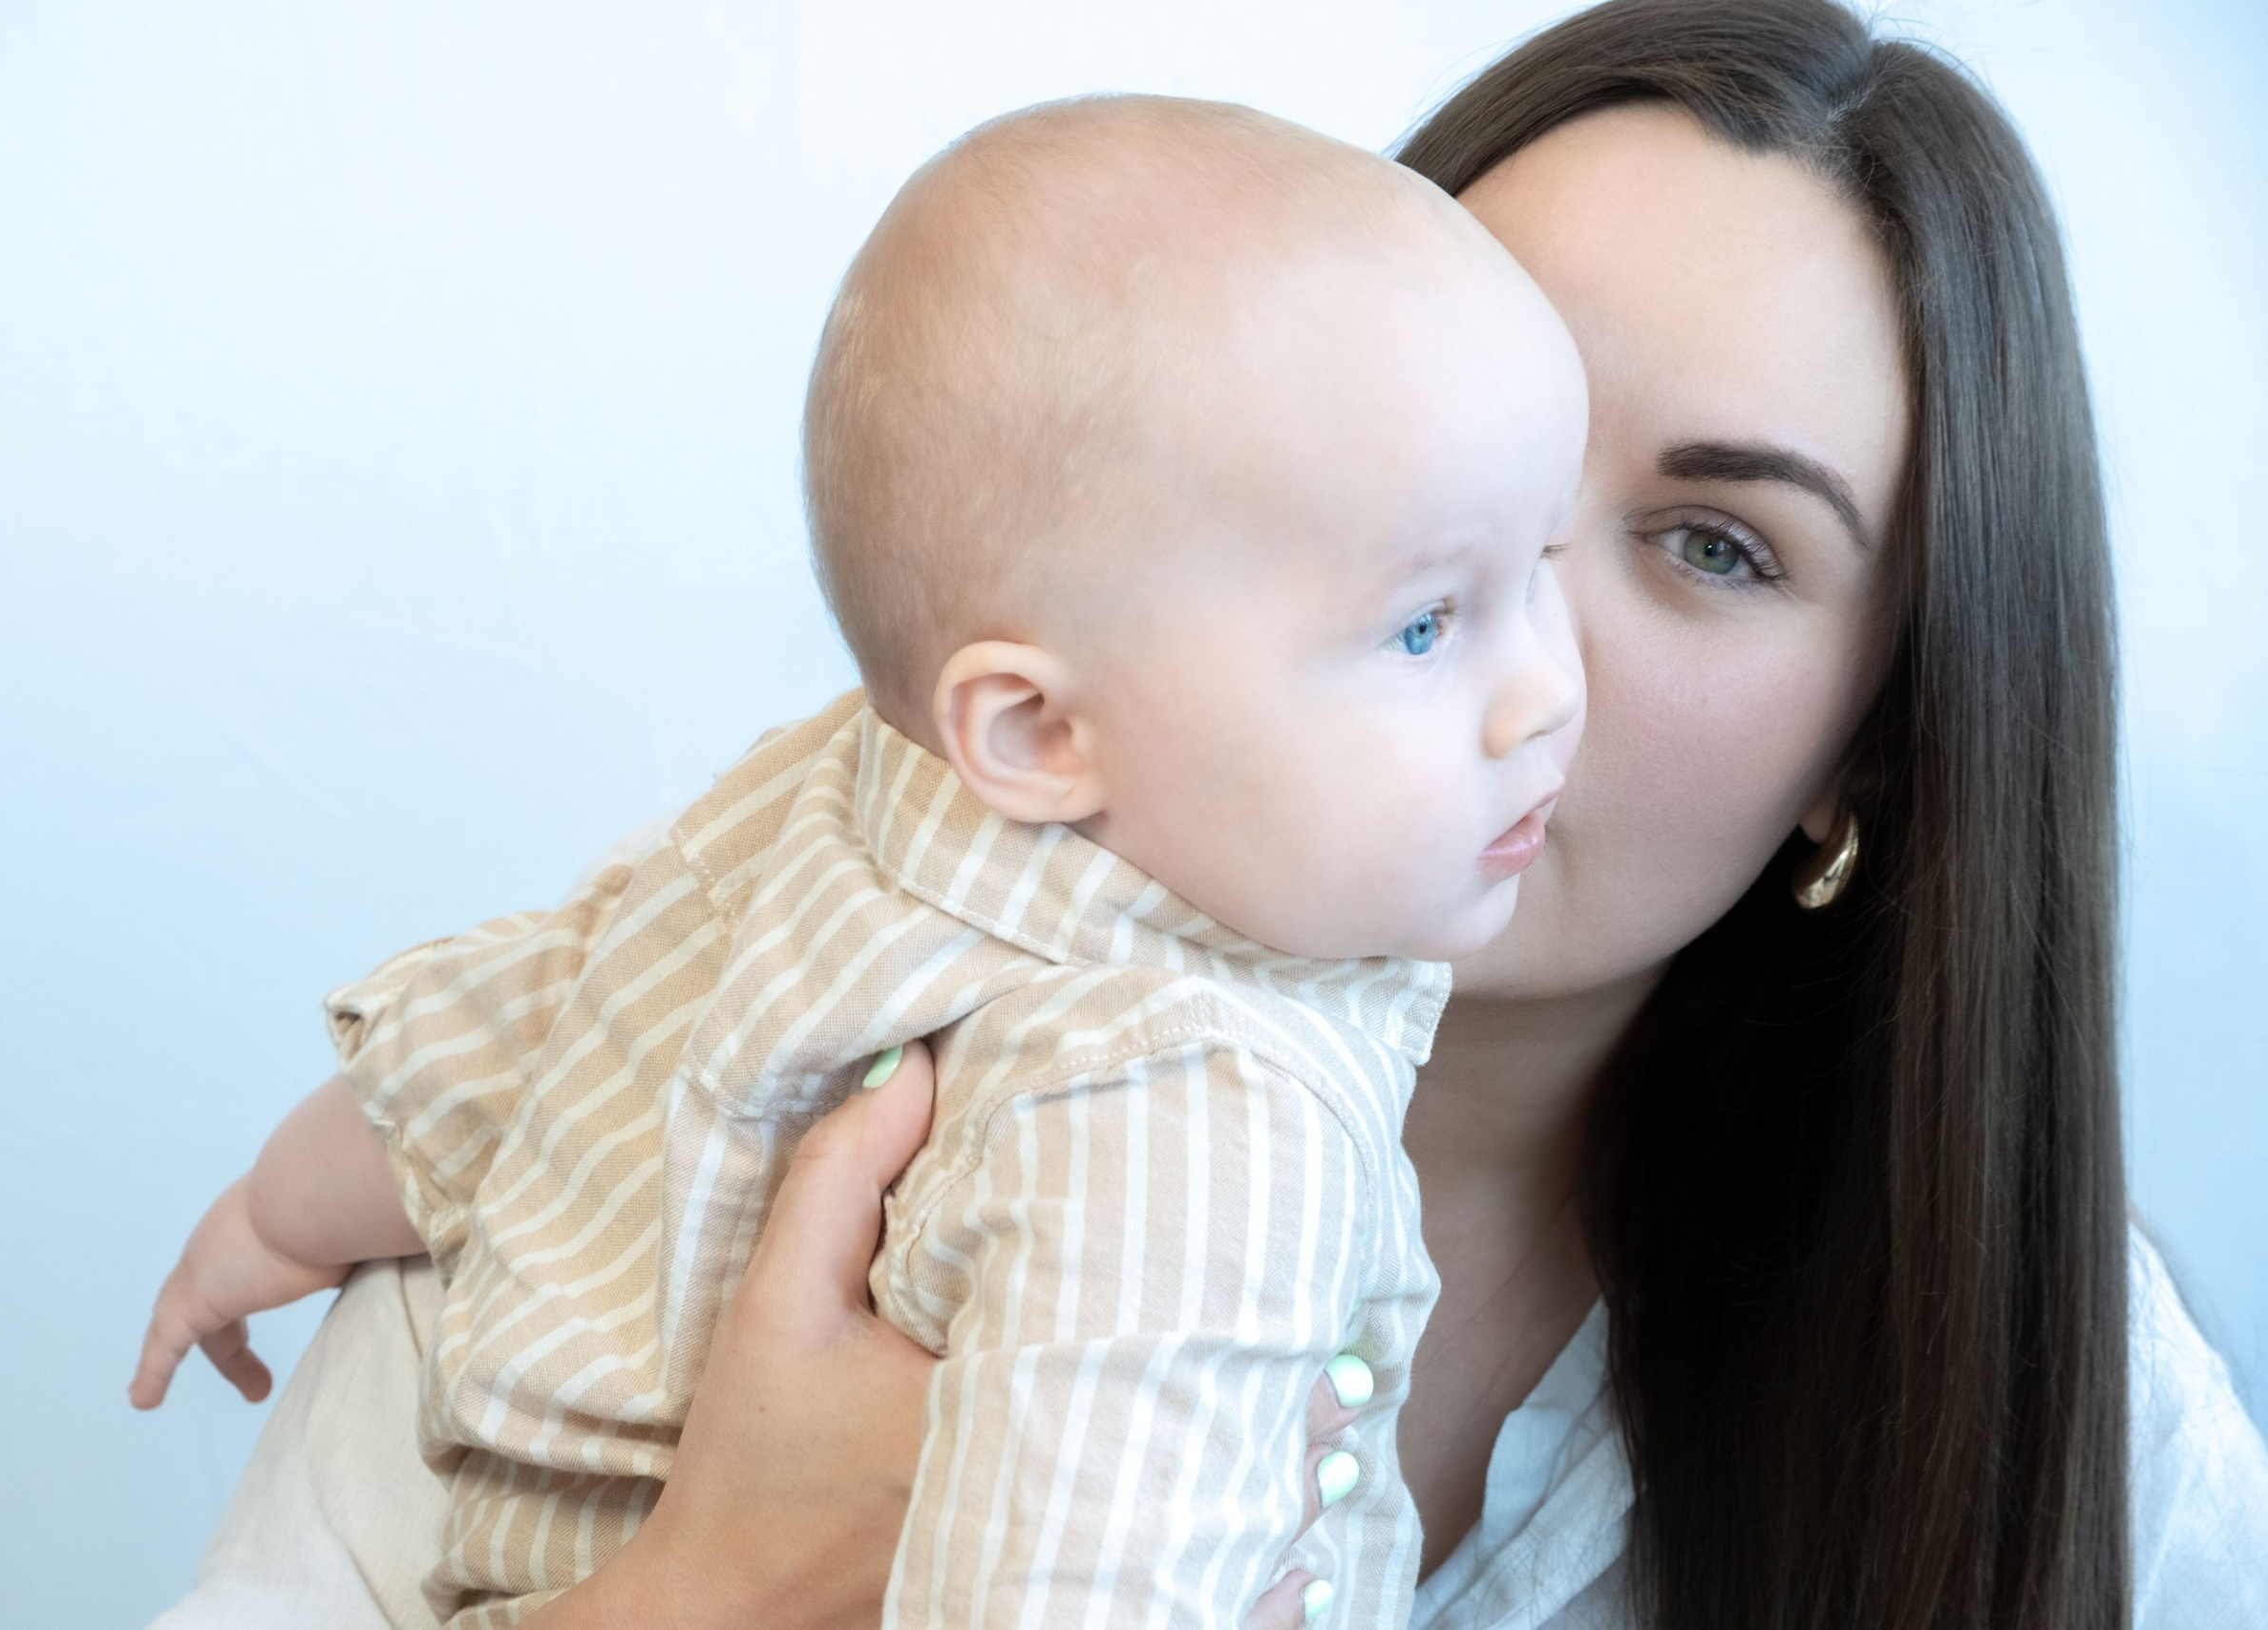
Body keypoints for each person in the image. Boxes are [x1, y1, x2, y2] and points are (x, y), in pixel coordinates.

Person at [144, 2, 2268, 1628]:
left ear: (1870, 748)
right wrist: (709, 1584)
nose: (1523, 643)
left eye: (1708, 544)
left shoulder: (2063, 1412)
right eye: (1448, 482)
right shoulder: (676, 1129)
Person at [133, 96, 1592, 1629]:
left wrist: (273, 1217)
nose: (1553, 687)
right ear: (1030, 727)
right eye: (1428, 622)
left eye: (1540, 562)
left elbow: (540, 1025)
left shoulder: (835, 812)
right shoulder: (1207, 1107)